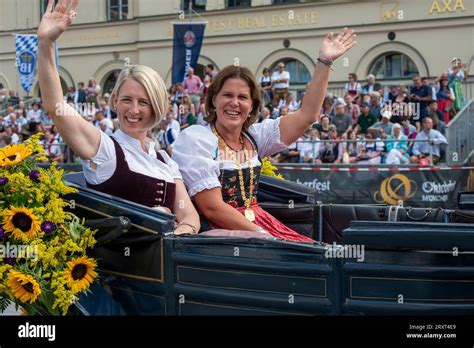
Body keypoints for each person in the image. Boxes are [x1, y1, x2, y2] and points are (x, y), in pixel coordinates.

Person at [172, 28, 356, 242]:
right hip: (224, 232)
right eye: (227, 95)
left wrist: (324, 63)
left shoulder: (255, 136)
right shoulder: (197, 139)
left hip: (259, 221)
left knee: (317, 252)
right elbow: (212, 208)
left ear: (251, 106)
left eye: (242, 97)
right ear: (213, 100)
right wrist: (262, 235)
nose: (234, 103)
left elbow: (308, 115)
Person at [37, 0, 199, 235]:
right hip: (123, 264)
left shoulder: (164, 159)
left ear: (156, 107)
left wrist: (177, 235)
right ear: (115, 101)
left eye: (143, 102)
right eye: (126, 100)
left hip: (166, 261)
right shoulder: (104, 149)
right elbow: (55, 106)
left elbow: (188, 213)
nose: (133, 110)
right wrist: (46, 43)